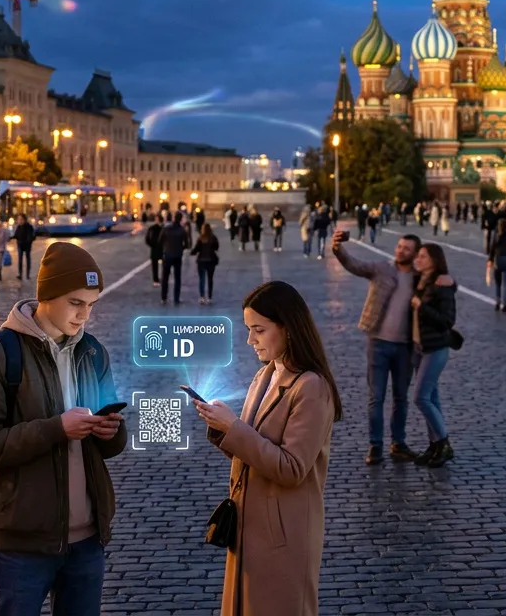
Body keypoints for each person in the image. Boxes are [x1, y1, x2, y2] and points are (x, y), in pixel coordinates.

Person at [0, 242, 127, 615]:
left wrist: (110, 431)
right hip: (21, 544)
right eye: (75, 302)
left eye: (91, 305)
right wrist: (56, 429)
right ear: (46, 296)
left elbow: (113, 445)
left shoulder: (93, 352)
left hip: (87, 543)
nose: (84, 315)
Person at [194, 281, 342, 616]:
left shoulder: (312, 388)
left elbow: (292, 468)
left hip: (284, 535)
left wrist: (233, 428)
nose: (250, 340)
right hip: (247, 526)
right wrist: (222, 429)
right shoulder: (264, 376)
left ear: (288, 328)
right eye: (248, 329)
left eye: (258, 330)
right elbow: (250, 448)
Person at [333, 229, 421, 463]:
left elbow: (442, 286)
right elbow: (353, 264)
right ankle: (375, 445)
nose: (401, 250)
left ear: (415, 254)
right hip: (378, 343)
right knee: (376, 397)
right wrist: (338, 248)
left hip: (405, 347)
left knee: (401, 398)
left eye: (407, 249)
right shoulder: (382, 268)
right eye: (400, 246)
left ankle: (398, 444)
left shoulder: (419, 278)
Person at [411, 242, 457, 468]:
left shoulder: (441, 284)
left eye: (422, 256)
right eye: (417, 256)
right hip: (420, 348)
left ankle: (444, 443)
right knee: (432, 398)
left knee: (420, 397)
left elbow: (447, 320)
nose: (417, 260)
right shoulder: (419, 280)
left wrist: (421, 307)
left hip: (436, 348)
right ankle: (434, 445)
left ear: (434, 261)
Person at [161, 211, 189, 305]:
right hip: (177, 255)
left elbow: (160, 240)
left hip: (167, 254)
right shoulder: (182, 230)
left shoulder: (167, 228)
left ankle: (163, 298)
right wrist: (181, 248)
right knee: (177, 278)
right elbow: (187, 244)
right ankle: (176, 298)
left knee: (165, 277)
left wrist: (165, 246)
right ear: (181, 219)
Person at [488, 219, 506, 313]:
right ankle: (505, 305)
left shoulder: (496, 236)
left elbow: (492, 249)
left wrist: (490, 260)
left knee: (498, 283)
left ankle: (497, 302)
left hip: (498, 259)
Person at [191, 223, 220, 305]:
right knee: (210, 279)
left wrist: (192, 252)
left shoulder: (200, 238)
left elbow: (196, 249)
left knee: (202, 280)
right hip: (211, 260)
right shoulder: (213, 238)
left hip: (201, 261)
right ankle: (210, 297)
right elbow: (217, 247)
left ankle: (202, 297)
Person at [13, 214, 37, 280]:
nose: (19, 221)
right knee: (20, 260)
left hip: (27, 245)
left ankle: (27, 275)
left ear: (24, 220)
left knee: (28, 259)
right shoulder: (18, 227)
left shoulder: (29, 227)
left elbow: (33, 236)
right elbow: (16, 235)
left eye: (21, 219)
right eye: (18, 219)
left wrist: (29, 241)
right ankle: (20, 274)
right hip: (20, 245)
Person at [145, 215, 164, 287]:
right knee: (155, 266)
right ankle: (156, 280)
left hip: (159, 249)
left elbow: (147, 239)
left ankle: (159, 279)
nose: (156, 220)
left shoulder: (162, 228)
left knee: (160, 266)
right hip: (157, 249)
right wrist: (152, 245)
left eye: (157, 219)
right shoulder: (153, 228)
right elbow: (147, 239)